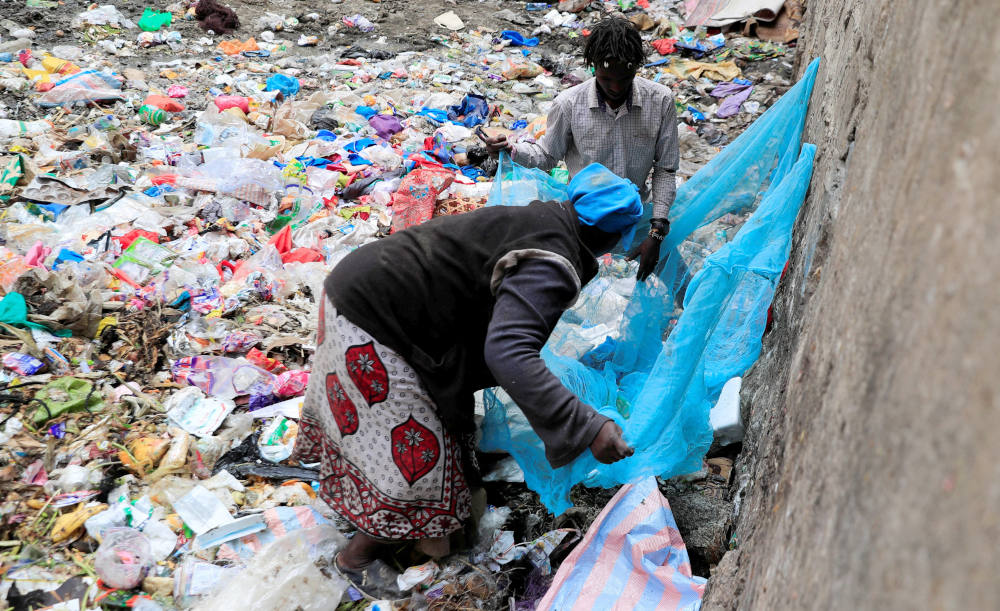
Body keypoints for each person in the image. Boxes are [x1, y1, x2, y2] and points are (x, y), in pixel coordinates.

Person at [292, 164, 641, 600]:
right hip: (375, 320)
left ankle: (380, 514)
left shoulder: (546, 218)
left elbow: (489, 325)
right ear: (611, 238)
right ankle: (356, 557)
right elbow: (509, 351)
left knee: (439, 429)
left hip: (365, 286)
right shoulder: (553, 263)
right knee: (413, 454)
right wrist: (587, 425)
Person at [483, 16, 679, 282]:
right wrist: (511, 150)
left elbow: (665, 169)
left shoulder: (660, 101)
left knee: (676, 277)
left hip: (637, 216)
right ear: (592, 67)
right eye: (607, 78)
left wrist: (657, 231)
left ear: (637, 69)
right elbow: (548, 156)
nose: (616, 87)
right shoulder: (569, 104)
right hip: (584, 220)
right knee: (565, 290)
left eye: (625, 78)